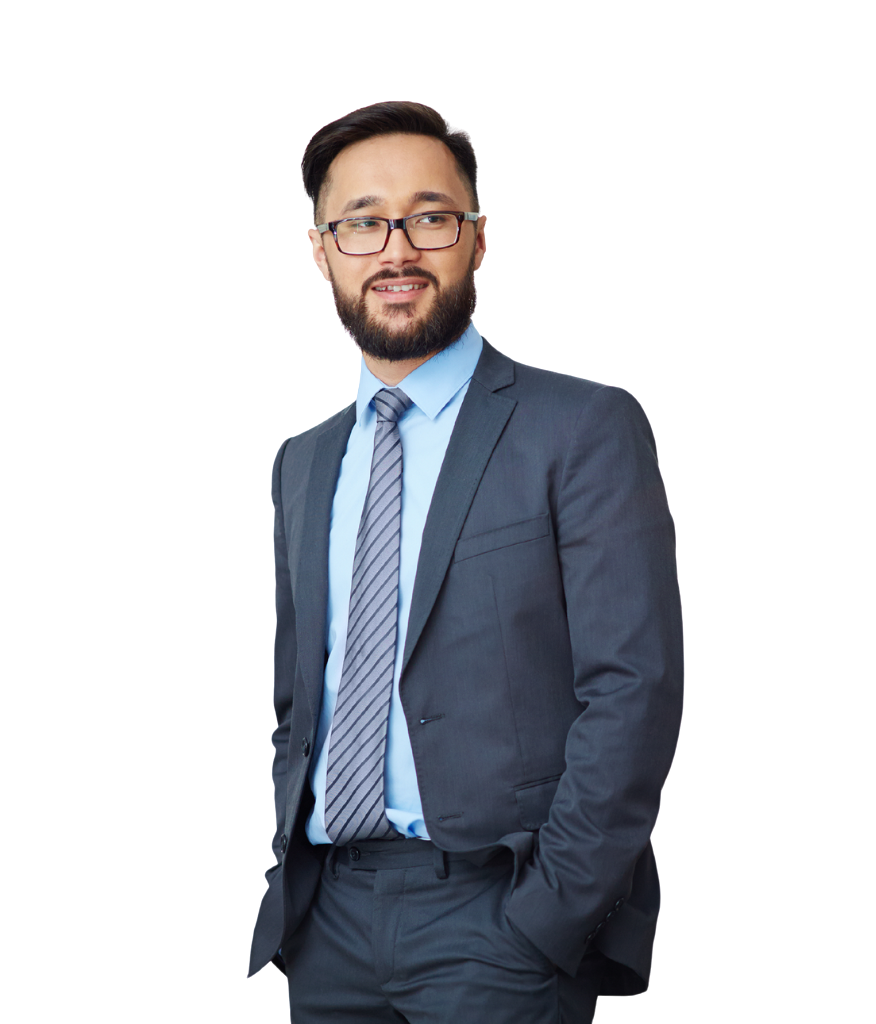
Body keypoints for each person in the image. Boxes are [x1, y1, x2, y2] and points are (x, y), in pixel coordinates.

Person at [247, 101, 683, 1022]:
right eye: (363, 222)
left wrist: (548, 915)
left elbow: (634, 687)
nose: (396, 250)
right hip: (326, 924)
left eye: (430, 217)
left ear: (478, 239)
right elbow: (300, 701)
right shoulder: (302, 461)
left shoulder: (583, 427)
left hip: (501, 917)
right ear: (322, 252)